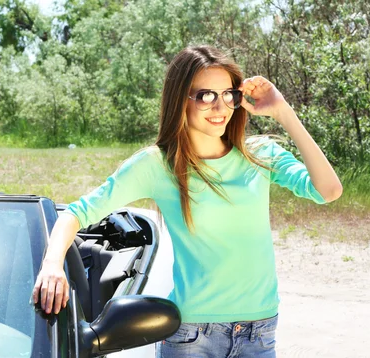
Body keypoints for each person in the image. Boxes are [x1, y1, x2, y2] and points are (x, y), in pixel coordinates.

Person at [31, 45, 342, 357]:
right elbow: (77, 212)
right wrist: (52, 264)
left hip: (258, 332)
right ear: (181, 99)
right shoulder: (157, 165)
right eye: (206, 95)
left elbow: (328, 190)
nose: (220, 107)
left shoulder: (260, 155)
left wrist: (282, 110)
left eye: (229, 95)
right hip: (192, 338)